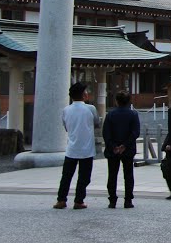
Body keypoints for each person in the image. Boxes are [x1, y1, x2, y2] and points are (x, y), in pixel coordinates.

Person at [54, 82, 100, 210]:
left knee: (66, 176)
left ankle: (61, 199)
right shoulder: (90, 109)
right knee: (84, 177)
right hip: (87, 148)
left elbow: (66, 127)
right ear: (84, 95)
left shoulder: (66, 110)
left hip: (71, 148)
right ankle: (79, 200)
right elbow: (97, 122)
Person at [103, 91, 141, 209]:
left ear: (116, 101)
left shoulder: (110, 115)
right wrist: (124, 145)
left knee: (112, 174)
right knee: (128, 174)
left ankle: (112, 200)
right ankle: (128, 200)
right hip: (128, 149)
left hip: (112, 150)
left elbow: (106, 133)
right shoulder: (133, 114)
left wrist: (113, 146)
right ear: (129, 101)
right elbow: (135, 132)